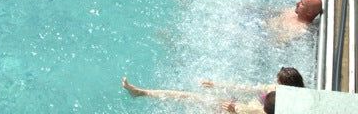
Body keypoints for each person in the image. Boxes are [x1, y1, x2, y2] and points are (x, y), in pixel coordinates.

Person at [123, 67, 302, 112]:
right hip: (237, 107)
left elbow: (255, 112)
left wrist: (235, 109)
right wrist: (217, 84)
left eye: (277, 81)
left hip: (233, 110)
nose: (273, 82)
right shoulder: (281, 93)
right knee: (189, 98)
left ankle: (141, 93)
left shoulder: (278, 108)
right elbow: (248, 88)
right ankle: (143, 92)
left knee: (189, 98)